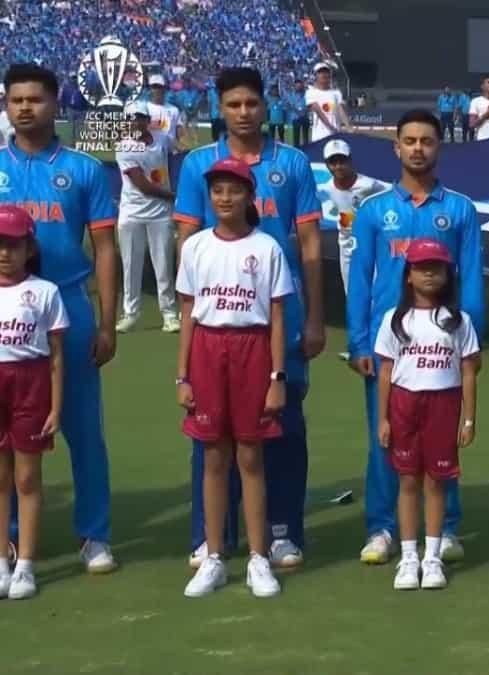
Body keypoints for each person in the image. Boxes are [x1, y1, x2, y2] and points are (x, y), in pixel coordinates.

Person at [175, 66, 325, 570]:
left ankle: (283, 531)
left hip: (278, 320)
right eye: (233, 105)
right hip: (217, 326)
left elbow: (308, 244)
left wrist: (316, 317)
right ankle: (211, 535)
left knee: (281, 425)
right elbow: (187, 244)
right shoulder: (199, 164)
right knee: (211, 434)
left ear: (265, 107)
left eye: (251, 104)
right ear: (220, 108)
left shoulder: (294, 164)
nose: (243, 113)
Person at [347, 109, 483, 565]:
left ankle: (444, 529)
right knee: (384, 437)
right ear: (397, 147)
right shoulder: (373, 211)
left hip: (444, 345)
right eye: (410, 140)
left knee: (443, 440)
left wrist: (472, 339)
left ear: (438, 146)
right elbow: (361, 280)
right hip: (392, 347)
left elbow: (473, 279)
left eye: (427, 140)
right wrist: (360, 341)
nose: (418, 148)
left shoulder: (460, 209)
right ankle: (382, 528)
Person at [0, 64, 119, 574]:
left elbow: (106, 246)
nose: (25, 107)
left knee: (83, 428)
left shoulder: (85, 169)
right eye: (16, 99)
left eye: (36, 99)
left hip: (66, 306)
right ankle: (8, 540)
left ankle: (94, 534)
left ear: (55, 104)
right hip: (4, 310)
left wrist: (108, 321)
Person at [177, 158, 292, 598]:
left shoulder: (266, 248)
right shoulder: (196, 247)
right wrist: (182, 375)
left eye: (234, 190)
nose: (225, 198)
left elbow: (278, 319)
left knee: (250, 456)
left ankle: (259, 559)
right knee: (212, 458)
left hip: (252, 350)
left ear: (249, 196)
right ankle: (213, 557)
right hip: (207, 350)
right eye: (217, 191)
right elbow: (188, 313)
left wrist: (277, 376)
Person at [374, 238, 481, 590]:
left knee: (437, 482)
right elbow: (386, 373)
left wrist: (469, 418)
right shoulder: (394, 319)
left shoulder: (458, 320)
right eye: (421, 268)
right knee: (407, 481)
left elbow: (468, 371)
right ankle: (408, 558)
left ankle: (432, 559)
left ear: (448, 275)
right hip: (404, 404)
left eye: (436, 268)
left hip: (443, 404)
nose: (429, 274)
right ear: (408, 276)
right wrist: (384, 418)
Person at [0, 205, 67, 600]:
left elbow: (56, 356)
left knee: (27, 477)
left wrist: (56, 408)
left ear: (30, 249)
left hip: (31, 384)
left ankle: (25, 564)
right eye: (0, 245)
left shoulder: (45, 292)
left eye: (14, 245)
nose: (5, 253)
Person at [115, 101, 179, 335]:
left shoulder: (161, 138)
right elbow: (142, 185)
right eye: (131, 118)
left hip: (160, 214)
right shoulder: (125, 147)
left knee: (163, 265)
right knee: (131, 265)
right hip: (133, 212)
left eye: (140, 117)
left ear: (146, 119)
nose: (136, 122)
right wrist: (172, 195)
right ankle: (131, 314)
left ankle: (170, 315)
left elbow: (174, 153)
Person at [317, 139, 388, 296]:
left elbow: (392, 192)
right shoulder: (326, 188)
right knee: (352, 294)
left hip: (371, 244)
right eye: (332, 162)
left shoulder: (369, 185)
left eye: (342, 161)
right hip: (346, 247)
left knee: (376, 292)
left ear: (350, 160)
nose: (338, 166)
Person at [306, 63, 349, 143]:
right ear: (316, 76)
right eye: (320, 72)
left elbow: (341, 110)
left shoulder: (336, 93)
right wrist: (332, 128)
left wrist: (348, 127)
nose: (324, 74)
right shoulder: (311, 93)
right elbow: (319, 112)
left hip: (336, 135)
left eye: (326, 72)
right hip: (320, 136)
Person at [146, 74, 183, 145]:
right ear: (150, 89)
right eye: (154, 87)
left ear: (164, 89)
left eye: (160, 87)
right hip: (149, 152)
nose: (157, 90)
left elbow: (179, 133)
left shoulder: (174, 110)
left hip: (169, 153)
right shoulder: (144, 109)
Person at [288, 79, 310, 146]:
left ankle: (307, 149)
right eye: (297, 86)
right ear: (294, 86)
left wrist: (304, 111)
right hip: (296, 118)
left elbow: (309, 104)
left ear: (302, 86)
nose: (298, 87)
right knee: (296, 136)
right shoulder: (291, 95)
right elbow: (291, 106)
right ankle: (297, 149)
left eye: (300, 86)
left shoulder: (307, 95)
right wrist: (299, 112)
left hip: (305, 117)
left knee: (306, 136)